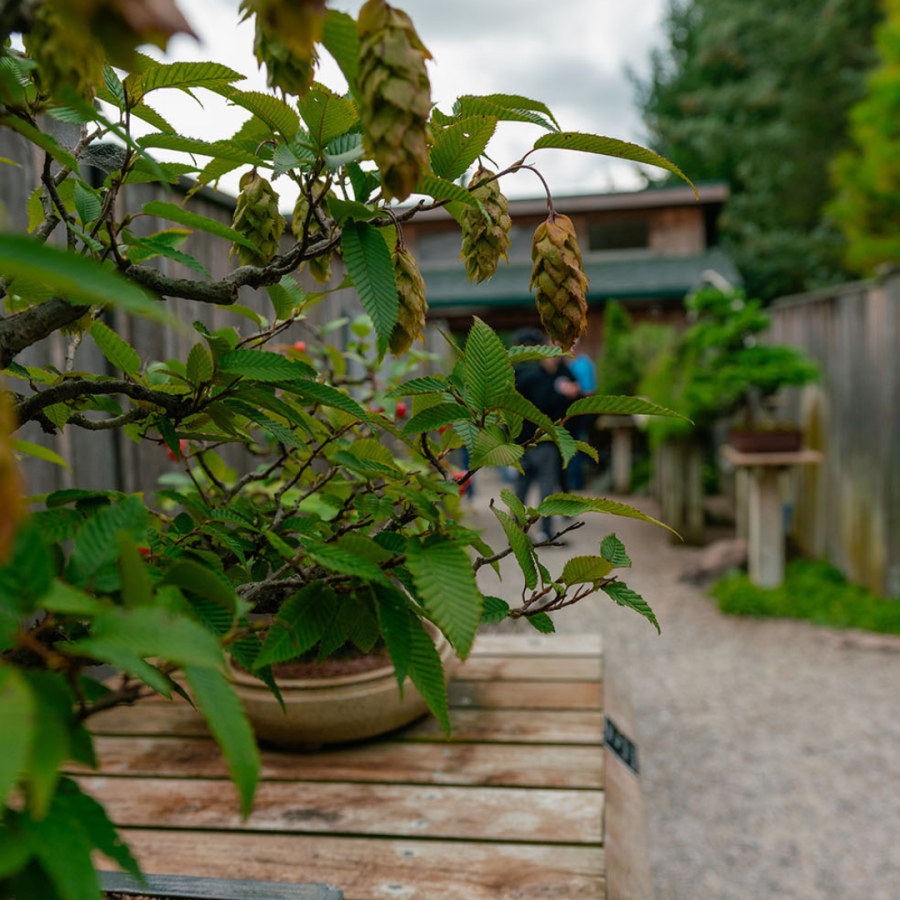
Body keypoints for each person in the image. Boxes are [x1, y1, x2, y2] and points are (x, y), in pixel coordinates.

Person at [512, 328, 581, 543]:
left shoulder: (563, 373)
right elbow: (535, 405)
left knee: (544, 489)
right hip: (530, 441)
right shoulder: (531, 376)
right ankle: (520, 532)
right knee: (529, 489)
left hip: (548, 443)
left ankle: (542, 531)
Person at [567, 339, 597, 490]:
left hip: (582, 410)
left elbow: (588, 391)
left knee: (576, 443)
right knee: (575, 443)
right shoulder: (571, 363)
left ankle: (578, 480)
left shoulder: (583, 364)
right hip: (574, 410)